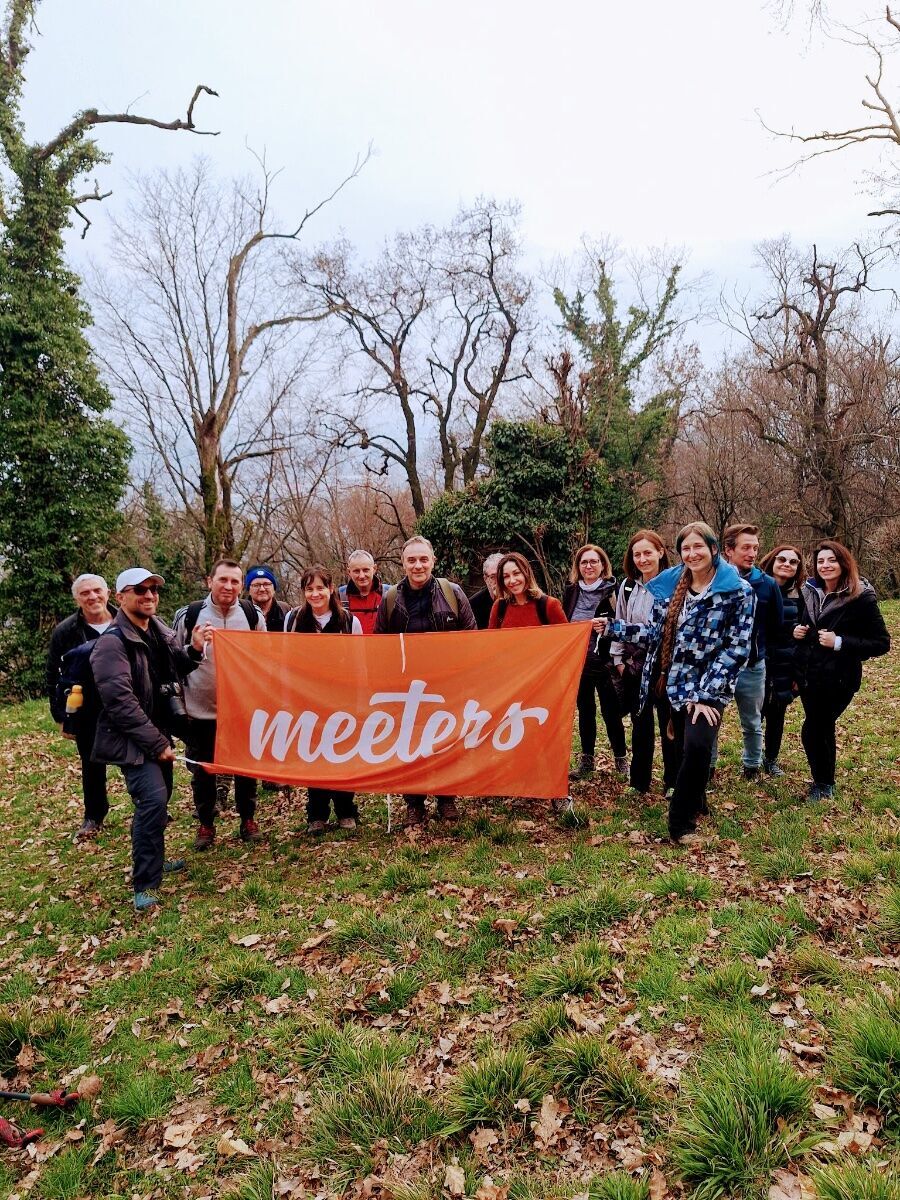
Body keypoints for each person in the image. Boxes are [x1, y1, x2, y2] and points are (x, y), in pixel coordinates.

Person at [600, 522, 755, 843]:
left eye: (699, 547)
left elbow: (736, 649)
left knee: (698, 744)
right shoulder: (669, 588)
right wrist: (612, 627)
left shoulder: (738, 592)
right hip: (673, 681)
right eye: (686, 548)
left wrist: (706, 694)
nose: (692, 553)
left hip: (710, 684)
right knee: (685, 747)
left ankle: (680, 823)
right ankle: (698, 801)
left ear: (713, 549)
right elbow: (655, 634)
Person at [91, 568, 211, 910]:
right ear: (120, 598)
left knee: (161, 799)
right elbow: (120, 703)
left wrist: (195, 650)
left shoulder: (159, 631)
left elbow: (178, 668)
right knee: (153, 801)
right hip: (132, 739)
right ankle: (146, 884)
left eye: (153, 590)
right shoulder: (112, 644)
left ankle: (155, 861)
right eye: (139, 590)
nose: (149, 596)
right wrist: (156, 744)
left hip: (159, 732)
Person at [373, 535, 477, 825]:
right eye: (411, 560)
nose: (418, 565)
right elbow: (379, 644)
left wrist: (464, 675)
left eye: (423, 559)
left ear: (433, 561)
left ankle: (446, 799)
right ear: (403, 563)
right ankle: (414, 803)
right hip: (407, 688)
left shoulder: (452, 592)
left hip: (447, 684)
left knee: (445, 741)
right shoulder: (391, 598)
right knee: (410, 745)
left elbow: (472, 635)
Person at [173, 560, 265, 850]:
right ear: (209, 580)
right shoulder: (189, 615)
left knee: (246, 769)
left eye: (235, 581)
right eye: (223, 580)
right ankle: (206, 823)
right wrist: (195, 647)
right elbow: (173, 660)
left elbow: (264, 658)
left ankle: (248, 819)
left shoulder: (252, 615)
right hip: (201, 708)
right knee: (202, 770)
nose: (228, 586)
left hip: (241, 708)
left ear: (242, 585)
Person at [794, 540, 890, 801]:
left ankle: (823, 784)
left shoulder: (861, 597)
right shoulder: (809, 591)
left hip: (839, 678)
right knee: (821, 727)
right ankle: (825, 783)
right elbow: (806, 624)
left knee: (814, 728)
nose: (825, 566)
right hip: (809, 675)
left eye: (831, 560)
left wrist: (839, 642)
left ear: (844, 563)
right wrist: (799, 631)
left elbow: (881, 642)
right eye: (820, 561)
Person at [286, 565, 363, 833]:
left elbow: (360, 662)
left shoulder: (349, 621)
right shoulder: (294, 620)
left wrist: (359, 698)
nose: (315, 594)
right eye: (309, 589)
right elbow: (289, 661)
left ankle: (346, 810)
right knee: (314, 755)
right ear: (304, 592)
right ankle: (316, 814)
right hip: (308, 700)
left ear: (331, 589)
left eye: (320, 588)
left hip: (342, 700)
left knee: (341, 754)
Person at [47, 574, 116, 839]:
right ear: (77, 598)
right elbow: (54, 674)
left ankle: (147, 806)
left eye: (97, 591)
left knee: (135, 757)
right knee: (91, 762)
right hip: (86, 706)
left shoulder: (126, 620)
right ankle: (94, 816)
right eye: (85, 593)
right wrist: (60, 716)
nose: (92, 597)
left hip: (124, 701)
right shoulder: (66, 631)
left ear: (107, 593)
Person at [610, 530, 678, 796]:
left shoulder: (677, 584)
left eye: (648, 552)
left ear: (661, 552)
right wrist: (618, 660)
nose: (642, 559)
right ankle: (639, 782)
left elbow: (661, 630)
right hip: (635, 666)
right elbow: (620, 621)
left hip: (666, 666)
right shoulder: (628, 587)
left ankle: (672, 782)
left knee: (670, 725)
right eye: (637, 554)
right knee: (640, 726)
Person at [717, 524, 784, 780]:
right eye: (746, 547)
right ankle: (708, 766)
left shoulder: (767, 584)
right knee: (711, 719)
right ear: (728, 550)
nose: (752, 553)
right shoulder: (714, 581)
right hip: (719, 666)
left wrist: (760, 651)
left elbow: (777, 627)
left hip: (753, 666)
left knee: (752, 721)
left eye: (755, 548)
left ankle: (752, 767)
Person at [562, 544, 628, 780]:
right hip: (578, 662)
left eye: (593, 562)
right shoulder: (571, 591)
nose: (589, 566)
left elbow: (623, 622)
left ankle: (621, 759)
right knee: (585, 711)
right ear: (578, 567)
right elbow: (563, 621)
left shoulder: (613, 591)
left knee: (611, 711)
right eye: (584, 562)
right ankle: (586, 760)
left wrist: (607, 628)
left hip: (605, 661)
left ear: (603, 565)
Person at [757, 544, 807, 777]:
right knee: (754, 712)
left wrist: (799, 673)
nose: (787, 564)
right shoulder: (756, 587)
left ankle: (771, 759)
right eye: (782, 559)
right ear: (772, 561)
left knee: (777, 713)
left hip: (786, 661)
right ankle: (752, 759)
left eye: (793, 562)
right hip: (757, 659)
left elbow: (806, 634)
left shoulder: (802, 596)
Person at [488, 553, 567, 628]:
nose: (512, 581)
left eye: (516, 573)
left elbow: (567, 638)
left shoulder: (550, 605)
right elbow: (492, 639)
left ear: (527, 574)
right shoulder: (499, 607)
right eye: (506, 576)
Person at [338, 550, 384, 635]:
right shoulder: (340, 596)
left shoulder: (387, 594)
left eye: (366, 570)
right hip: (352, 647)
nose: (362, 576)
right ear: (349, 572)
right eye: (356, 571)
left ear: (374, 569)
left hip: (382, 646)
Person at [246, 565, 290, 632]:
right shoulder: (242, 611)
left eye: (266, 584)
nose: (262, 589)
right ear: (249, 590)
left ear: (274, 589)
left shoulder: (285, 611)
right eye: (256, 585)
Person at [469, 553, 504, 630]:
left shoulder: (517, 599)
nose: (499, 580)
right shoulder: (474, 604)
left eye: (502, 575)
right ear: (485, 579)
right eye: (493, 577)